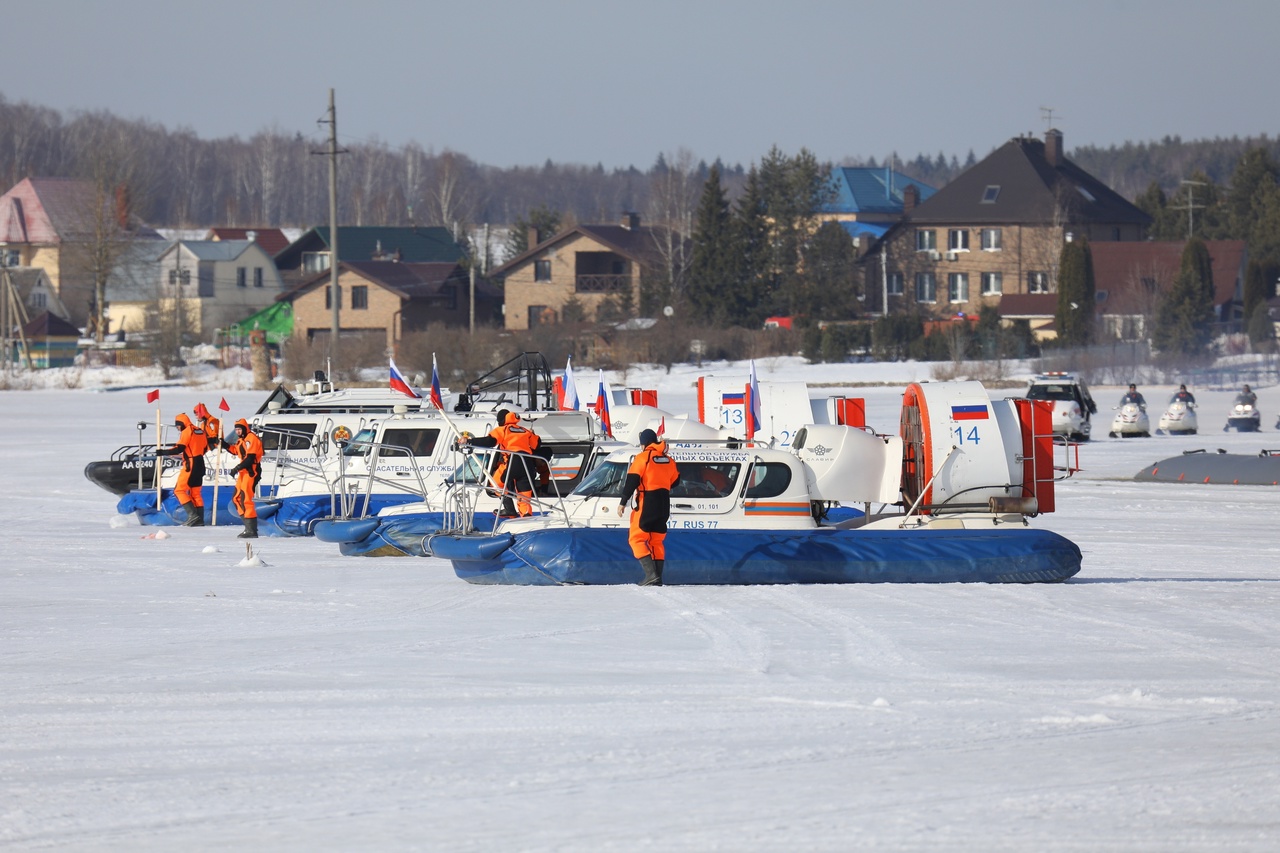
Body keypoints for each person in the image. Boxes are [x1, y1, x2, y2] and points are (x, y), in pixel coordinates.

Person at [616, 429, 680, 586]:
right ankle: (657, 577)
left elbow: (632, 480)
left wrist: (623, 501)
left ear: (644, 443)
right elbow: (676, 481)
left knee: (636, 539)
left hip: (647, 501)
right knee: (656, 540)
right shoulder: (668, 460)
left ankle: (651, 575)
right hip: (664, 503)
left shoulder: (643, 458)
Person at [460, 409, 543, 517]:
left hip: (512, 462)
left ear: (501, 420)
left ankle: (509, 510)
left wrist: (470, 441)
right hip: (527, 464)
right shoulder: (525, 430)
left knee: (495, 484)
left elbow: (490, 441)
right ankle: (526, 515)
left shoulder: (502, 429)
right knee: (524, 493)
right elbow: (537, 445)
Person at [156, 412, 209, 526]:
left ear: (182, 423)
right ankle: (200, 520)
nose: (178, 429)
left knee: (179, 490)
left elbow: (179, 448)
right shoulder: (200, 431)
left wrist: (163, 452)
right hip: (200, 462)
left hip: (191, 464)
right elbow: (205, 448)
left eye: (178, 426)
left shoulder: (187, 431)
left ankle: (193, 516)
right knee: (195, 493)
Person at [215, 418, 264, 539]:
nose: (237, 431)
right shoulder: (241, 440)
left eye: (239, 429)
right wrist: (224, 444)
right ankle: (248, 526)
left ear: (245, 428)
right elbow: (236, 451)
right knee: (236, 498)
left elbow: (250, 458)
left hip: (251, 471)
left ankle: (252, 530)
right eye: (236, 429)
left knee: (246, 499)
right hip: (243, 472)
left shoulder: (251, 439)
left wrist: (237, 468)